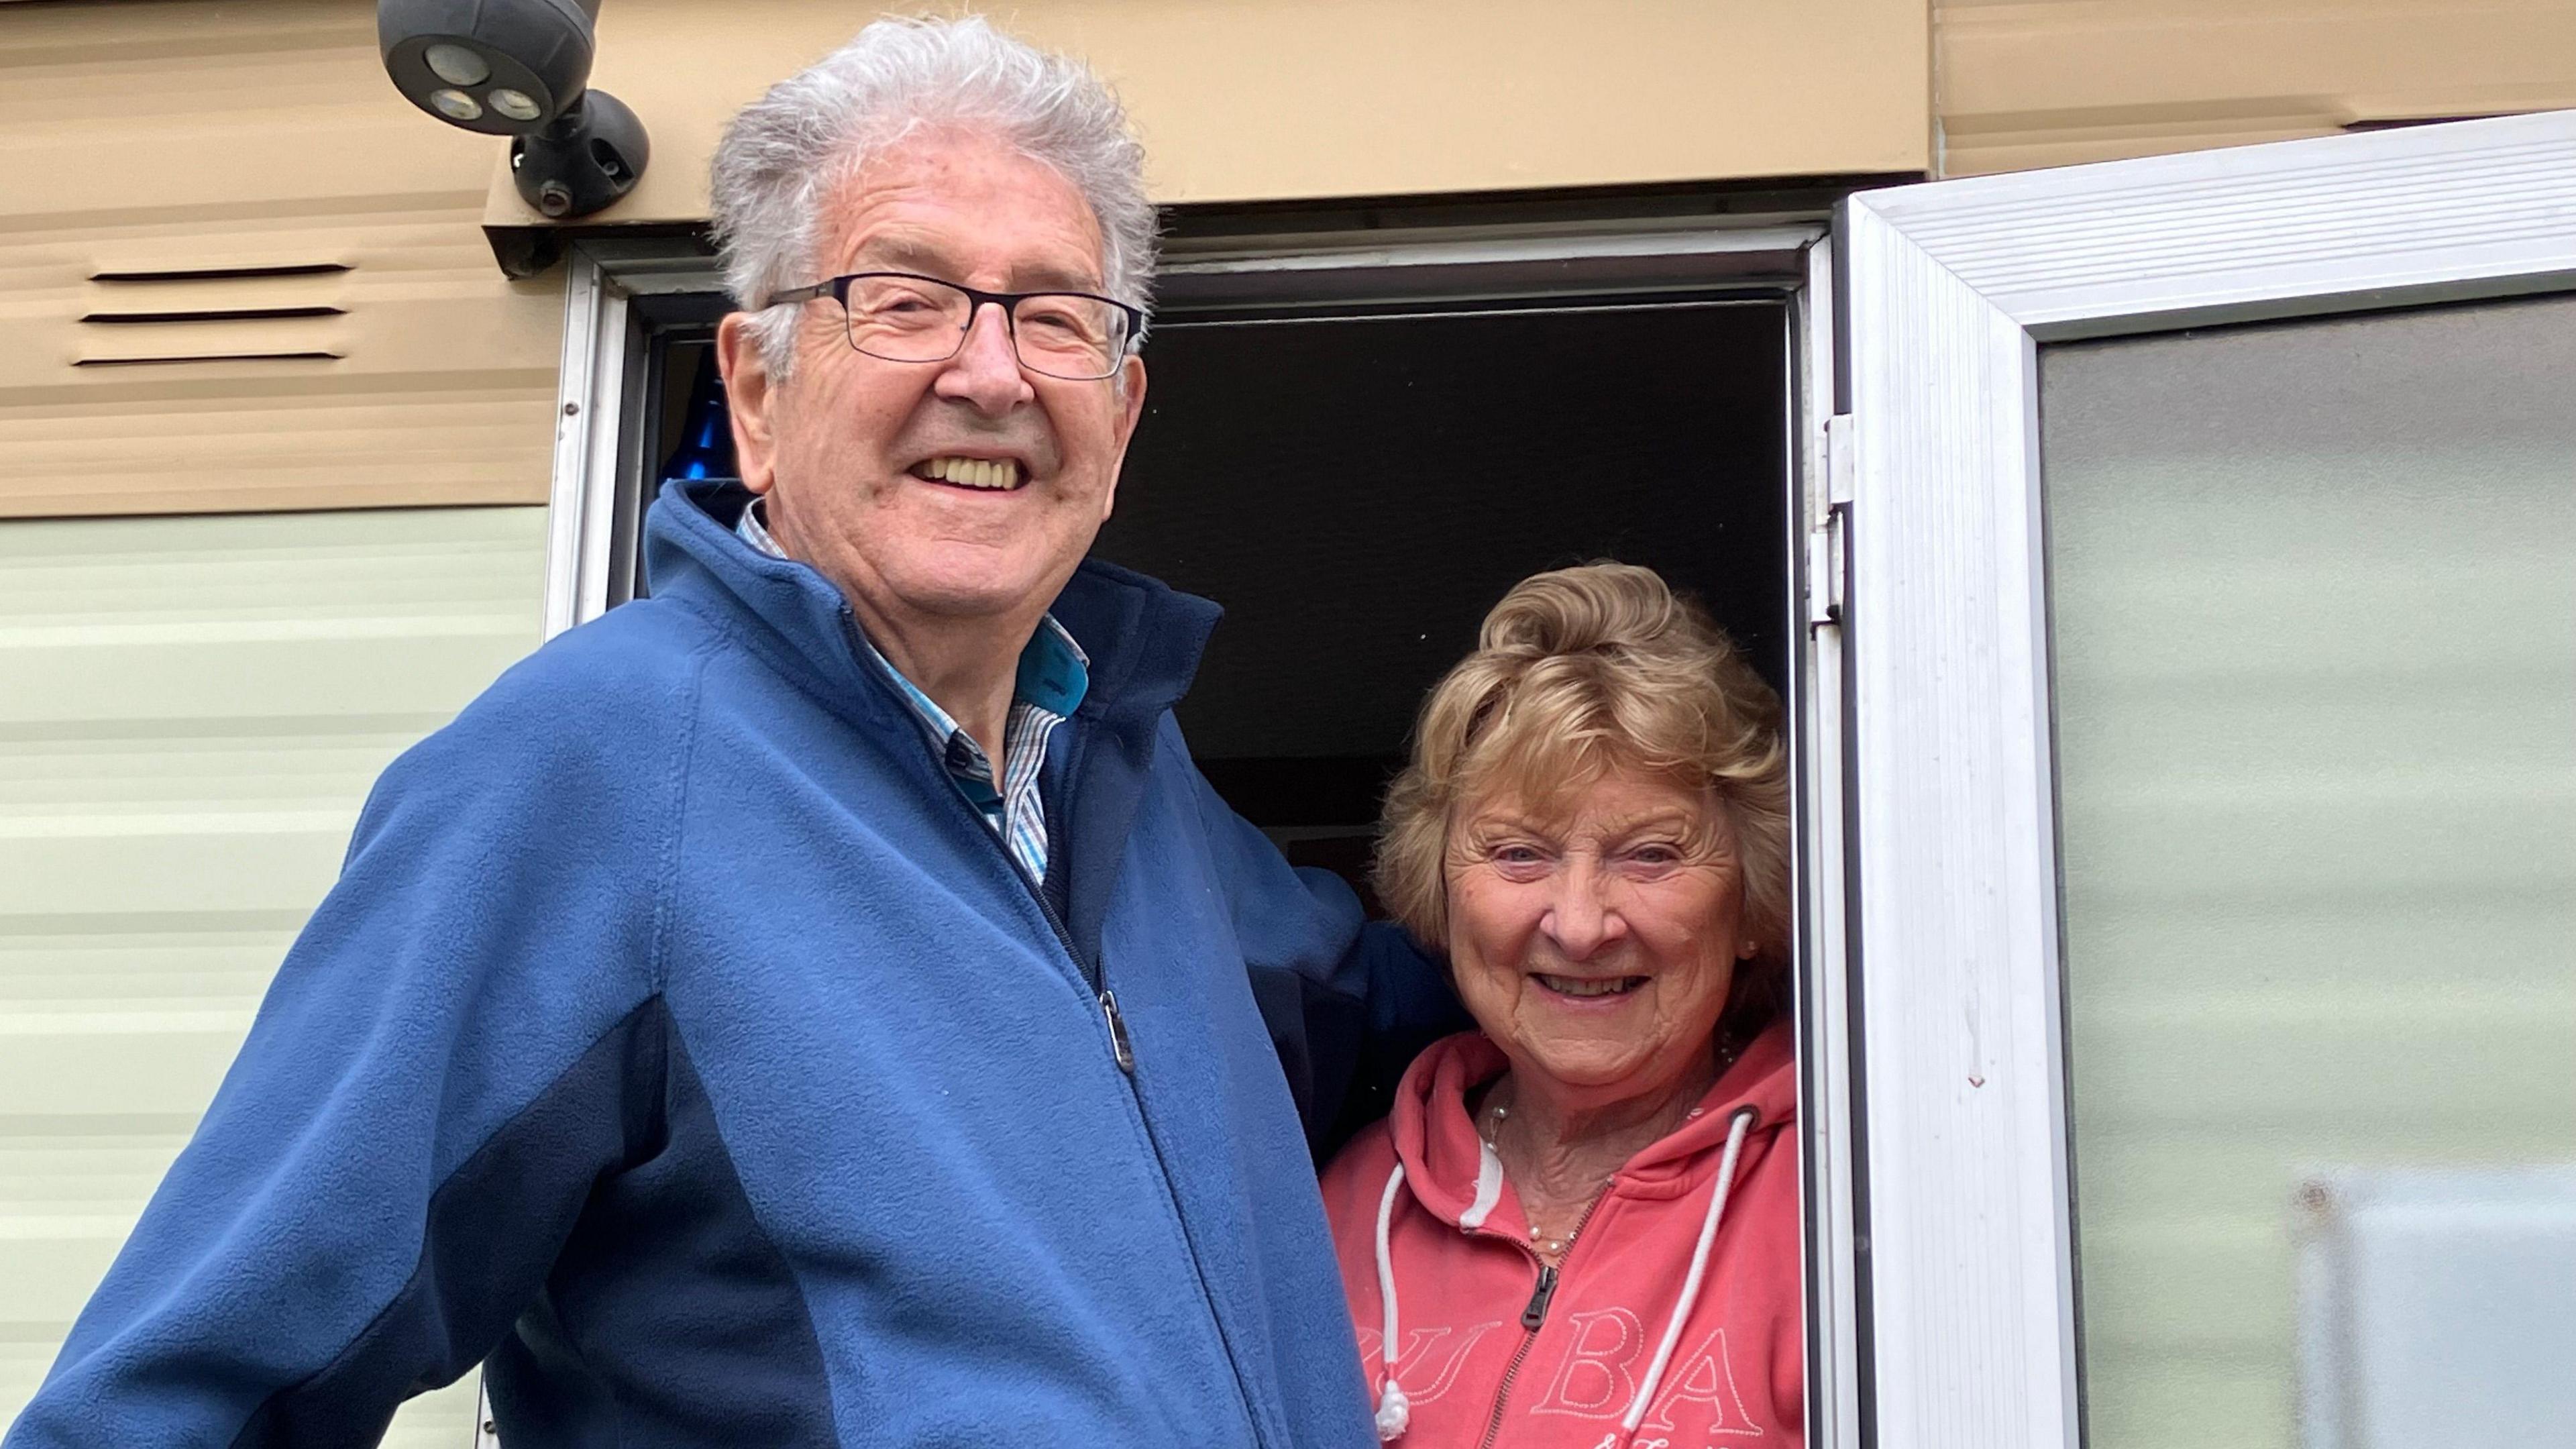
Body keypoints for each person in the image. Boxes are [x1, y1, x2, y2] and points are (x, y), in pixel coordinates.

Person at [3, 18, 1456, 1449]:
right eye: (905, 299)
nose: (994, 373)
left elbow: (1410, 998)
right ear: (758, 393)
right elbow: (185, 1396)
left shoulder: (1128, 777)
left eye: (1058, 315)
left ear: (1122, 416)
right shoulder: (591, 768)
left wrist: (1658, 902)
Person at [1318, 564, 1803, 1447]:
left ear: (1752, 899)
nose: (1579, 927)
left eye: (1651, 854)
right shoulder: (1345, 1201)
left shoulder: (1836, 1199)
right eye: (1517, 854)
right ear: (1443, 889)